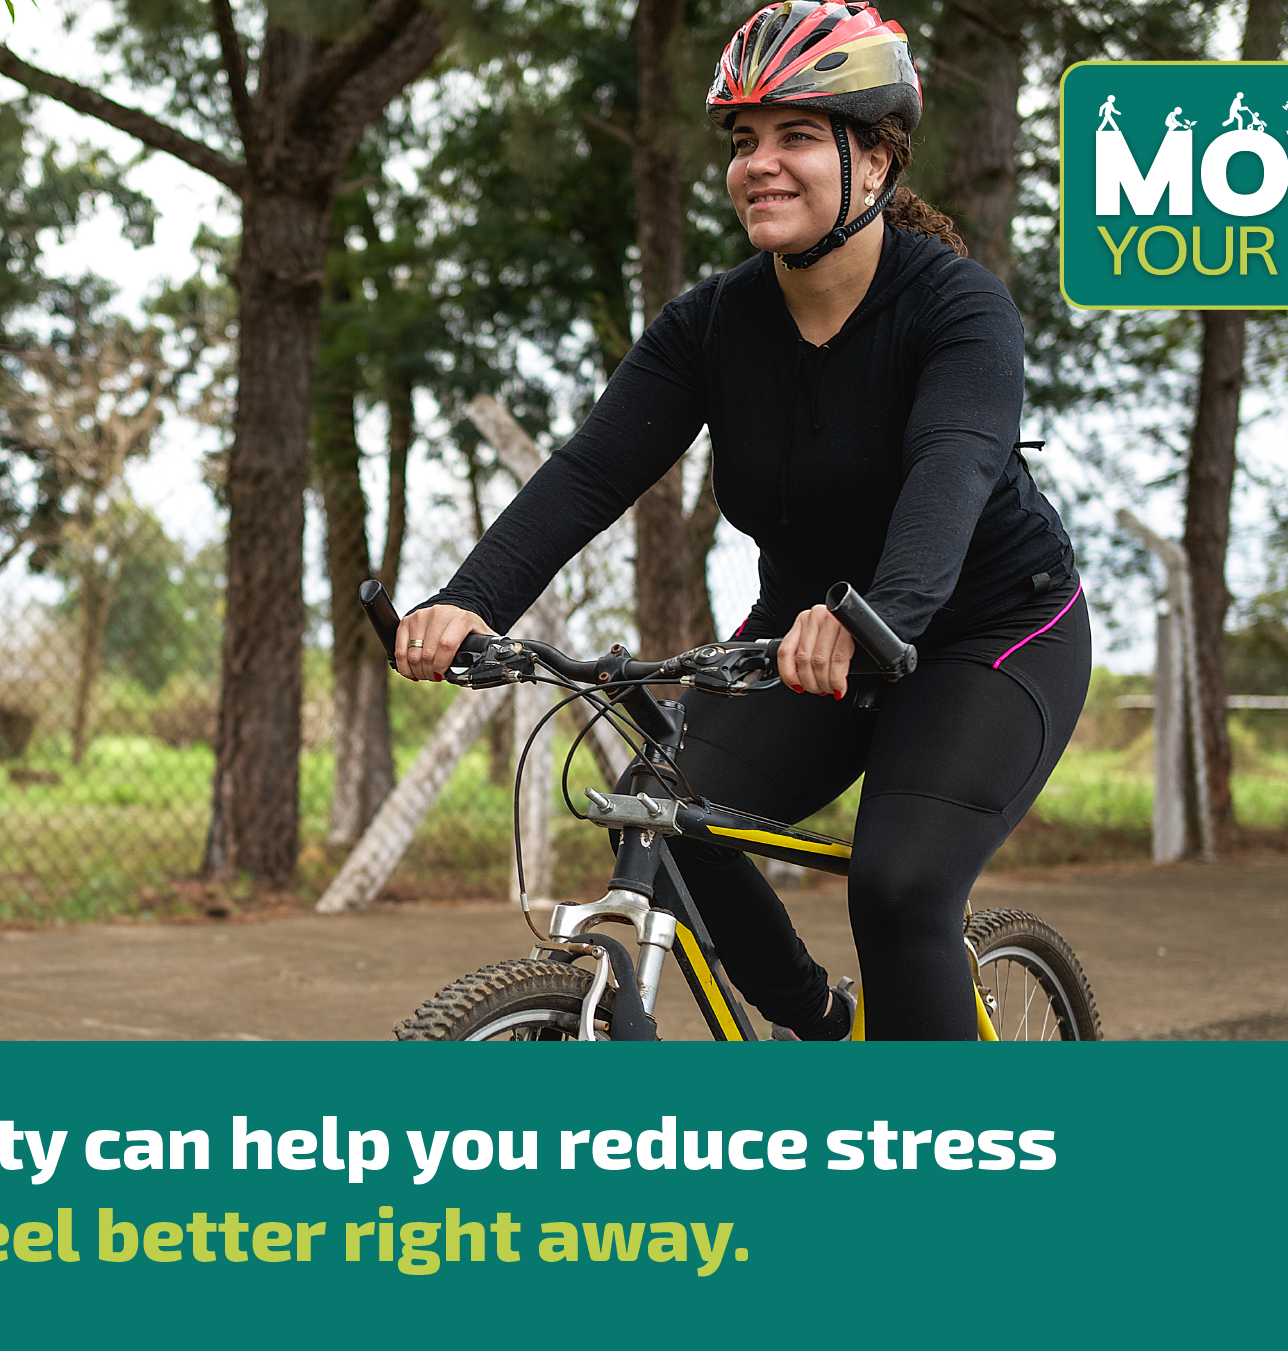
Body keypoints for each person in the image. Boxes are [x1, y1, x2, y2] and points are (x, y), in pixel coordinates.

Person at [392, 0, 1089, 1041]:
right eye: (744, 139)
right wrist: (468, 600)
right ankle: (816, 1019)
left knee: (899, 887)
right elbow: (589, 475)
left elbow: (953, 467)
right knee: (665, 813)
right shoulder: (712, 325)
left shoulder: (958, 309)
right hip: (806, 642)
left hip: (987, 637)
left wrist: (877, 615)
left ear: (879, 157)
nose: (760, 162)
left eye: (797, 134)